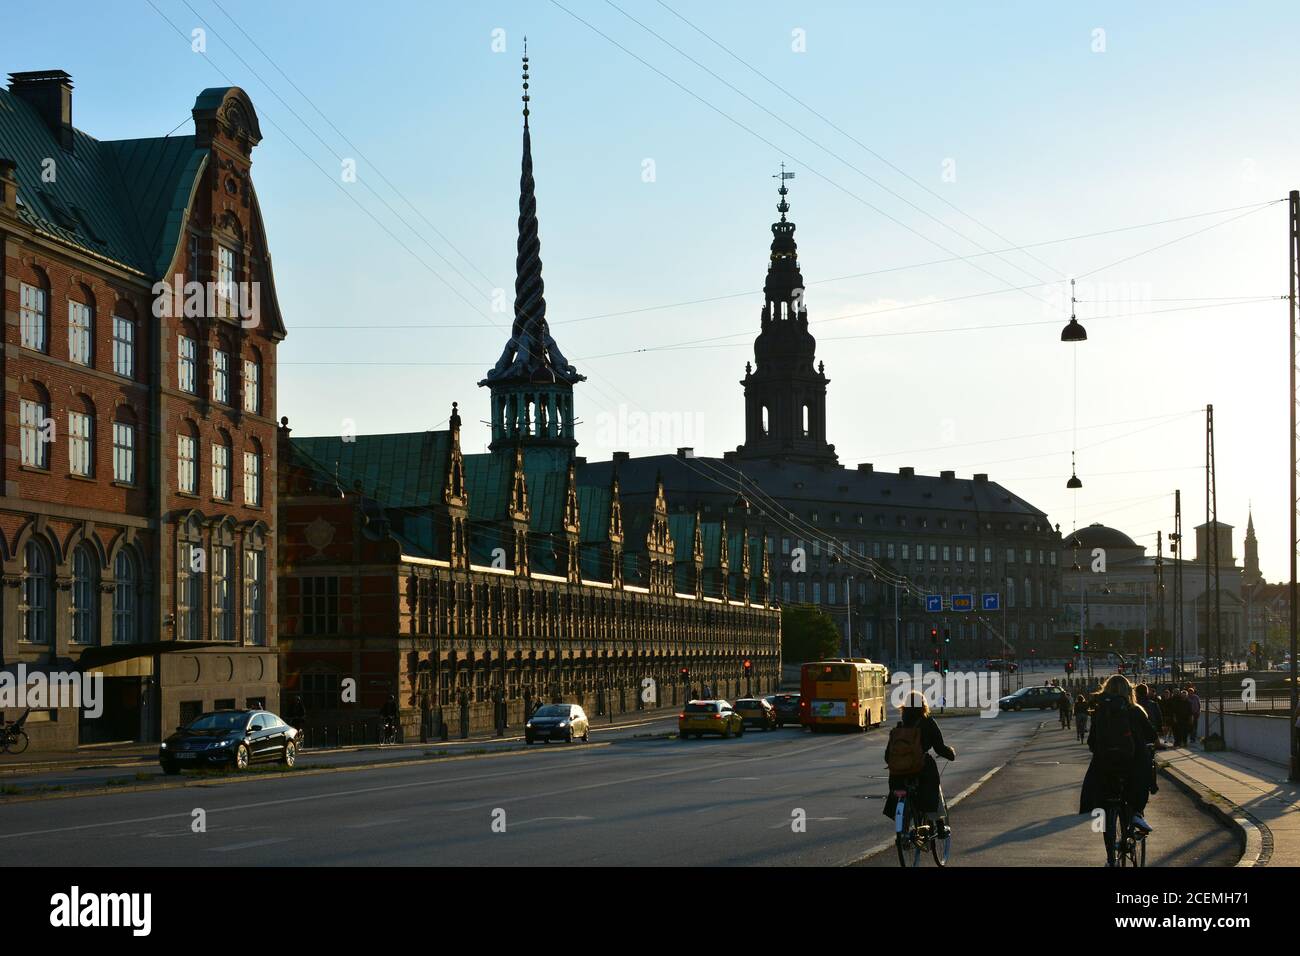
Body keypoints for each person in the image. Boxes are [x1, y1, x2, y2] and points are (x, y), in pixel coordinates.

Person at [1079, 675, 1157, 866]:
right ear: (1128, 691)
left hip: (1106, 768)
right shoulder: (1135, 711)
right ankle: (1137, 815)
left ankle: (1110, 858)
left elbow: (1092, 742)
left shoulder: (1099, 711)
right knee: (1142, 775)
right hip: (1131, 767)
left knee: (1106, 808)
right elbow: (1151, 735)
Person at [882, 691, 957, 839]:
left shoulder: (900, 726)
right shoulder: (928, 722)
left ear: (904, 707)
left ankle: (904, 824)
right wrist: (951, 754)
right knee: (934, 791)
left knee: (901, 791)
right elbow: (939, 747)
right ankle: (940, 826)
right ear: (923, 705)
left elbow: (887, 756)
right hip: (922, 769)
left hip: (898, 774)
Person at [1136, 684, 1163, 751]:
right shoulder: (1153, 704)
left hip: (1138, 732)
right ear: (1147, 692)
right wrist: (1159, 729)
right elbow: (1159, 717)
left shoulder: (1134, 705)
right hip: (1152, 730)